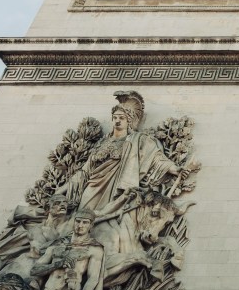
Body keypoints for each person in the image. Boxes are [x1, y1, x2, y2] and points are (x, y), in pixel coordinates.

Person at [57, 92, 179, 221]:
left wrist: (175, 169)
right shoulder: (102, 142)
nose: (117, 120)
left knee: (107, 222)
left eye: (122, 118)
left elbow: (156, 157)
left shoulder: (137, 140)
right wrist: (60, 191)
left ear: (129, 121)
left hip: (117, 188)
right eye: (115, 117)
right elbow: (85, 170)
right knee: (82, 216)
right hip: (93, 186)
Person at [30, 209, 104, 290]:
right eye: (78, 221)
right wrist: (58, 264)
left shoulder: (94, 249)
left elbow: (93, 278)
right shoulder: (58, 244)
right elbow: (34, 270)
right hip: (49, 289)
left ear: (91, 225)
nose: (80, 225)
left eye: (85, 222)